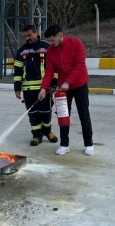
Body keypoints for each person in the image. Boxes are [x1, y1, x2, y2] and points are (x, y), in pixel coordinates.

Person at [38, 25, 94, 156]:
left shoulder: (76, 43)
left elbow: (80, 65)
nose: (50, 43)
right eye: (49, 41)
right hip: (63, 88)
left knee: (84, 116)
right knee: (63, 115)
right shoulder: (51, 51)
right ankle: (64, 144)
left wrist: (68, 82)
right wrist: (43, 89)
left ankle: (89, 144)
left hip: (79, 84)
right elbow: (49, 72)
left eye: (52, 40)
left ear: (60, 36)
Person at [13, 25, 59, 146]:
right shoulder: (21, 51)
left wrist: (53, 84)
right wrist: (17, 88)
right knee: (32, 114)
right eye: (25, 36)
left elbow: (54, 68)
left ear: (36, 33)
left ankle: (48, 132)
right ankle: (36, 135)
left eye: (29, 35)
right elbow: (17, 70)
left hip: (44, 89)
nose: (27, 38)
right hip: (28, 90)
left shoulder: (46, 47)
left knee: (45, 112)